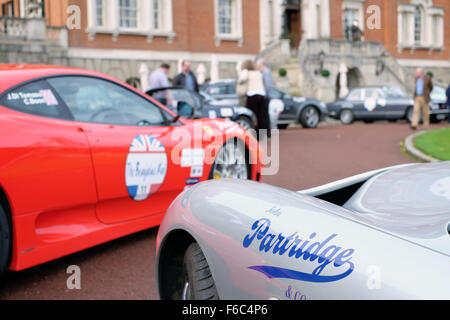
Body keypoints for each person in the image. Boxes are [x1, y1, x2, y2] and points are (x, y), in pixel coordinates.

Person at [238, 60, 269, 140]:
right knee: (261, 116)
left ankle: (253, 135)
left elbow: (242, 79)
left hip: (252, 95)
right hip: (261, 94)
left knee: (251, 115)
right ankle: (263, 135)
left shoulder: (246, 72)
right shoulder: (258, 72)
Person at [256, 58, 275, 135]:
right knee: (263, 114)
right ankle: (266, 131)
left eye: (258, 65)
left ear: (261, 65)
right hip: (264, 96)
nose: (257, 67)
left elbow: (268, 85)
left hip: (265, 96)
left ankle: (267, 132)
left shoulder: (266, 72)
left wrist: (264, 95)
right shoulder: (263, 72)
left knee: (265, 115)